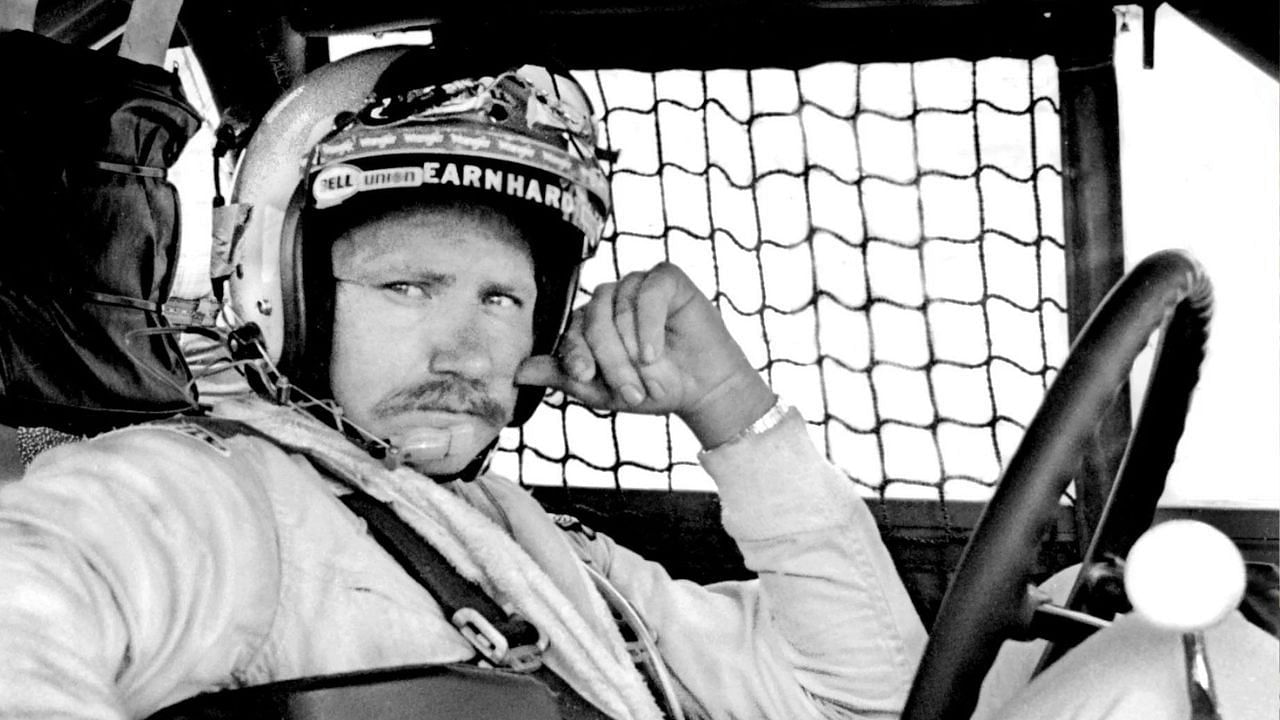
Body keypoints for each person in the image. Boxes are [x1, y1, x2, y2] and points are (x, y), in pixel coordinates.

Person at [1, 39, 1276, 720]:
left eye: (503, 300)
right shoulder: (209, 497)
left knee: (1161, 639)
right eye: (407, 289)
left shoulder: (544, 554)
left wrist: (737, 417)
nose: (467, 349)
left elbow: (864, 694)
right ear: (277, 286)